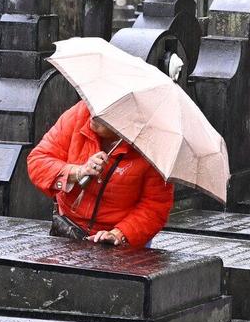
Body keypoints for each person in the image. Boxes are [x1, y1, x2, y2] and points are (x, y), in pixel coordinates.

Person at [26, 100, 173, 249]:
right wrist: (77, 172)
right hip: (68, 228)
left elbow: (155, 205)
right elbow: (38, 161)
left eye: (105, 112)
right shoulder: (80, 114)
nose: (93, 113)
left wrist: (119, 234)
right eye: (94, 106)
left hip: (119, 242)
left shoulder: (154, 146)